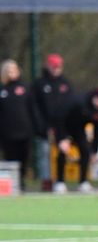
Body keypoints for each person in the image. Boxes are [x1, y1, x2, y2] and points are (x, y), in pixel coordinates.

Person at [51, 87, 98, 194]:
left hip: (79, 130)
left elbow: (97, 132)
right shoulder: (79, 102)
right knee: (63, 151)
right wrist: (62, 138)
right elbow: (59, 118)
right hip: (64, 127)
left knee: (85, 151)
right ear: (94, 97)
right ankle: (59, 182)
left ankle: (83, 182)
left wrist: (94, 151)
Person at [30, 53, 74, 192]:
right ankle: (47, 180)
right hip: (45, 126)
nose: (56, 69)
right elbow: (35, 107)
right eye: (54, 66)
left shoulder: (65, 84)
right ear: (47, 66)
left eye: (58, 66)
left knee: (62, 152)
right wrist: (42, 126)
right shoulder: (39, 84)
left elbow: (70, 105)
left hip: (62, 126)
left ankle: (60, 180)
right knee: (45, 153)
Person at [0, 59, 34, 190]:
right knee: (10, 159)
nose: (11, 73)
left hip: (24, 131)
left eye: (13, 70)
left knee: (24, 158)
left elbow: (32, 108)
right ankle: (13, 185)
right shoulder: (2, 90)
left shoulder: (25, 88)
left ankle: (22, 182)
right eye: (8, 71)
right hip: (7, 132)